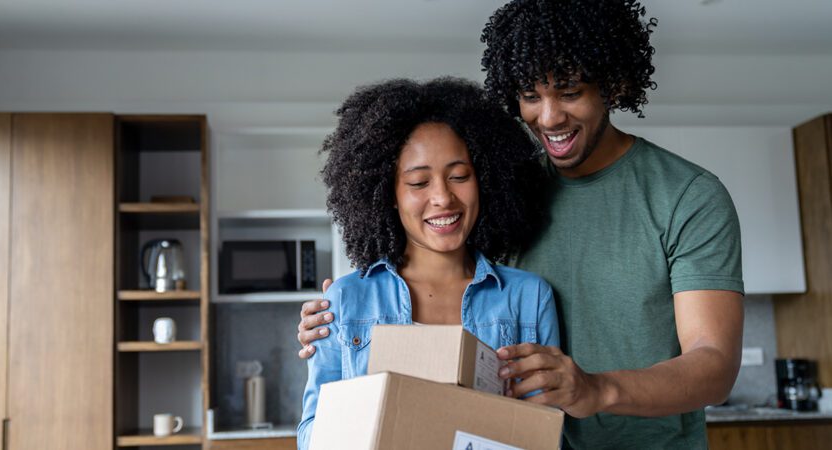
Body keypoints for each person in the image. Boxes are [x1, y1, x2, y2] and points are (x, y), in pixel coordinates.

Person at [298, 1, 745, 448]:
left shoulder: (686, 196)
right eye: (531, 96)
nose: (548, 117)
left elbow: (714, 364)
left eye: (569, 92)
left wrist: (596, 389)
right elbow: (439, 265)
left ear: (614, 84)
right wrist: (339, 316)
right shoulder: (505, 191)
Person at [296, 77, 560, 449]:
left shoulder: (528, 298)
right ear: (388, 193)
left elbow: (547, 434)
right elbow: (310, 435)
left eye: (459, 176)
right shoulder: (346, 301)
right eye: (419, 183)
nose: (443, 197)